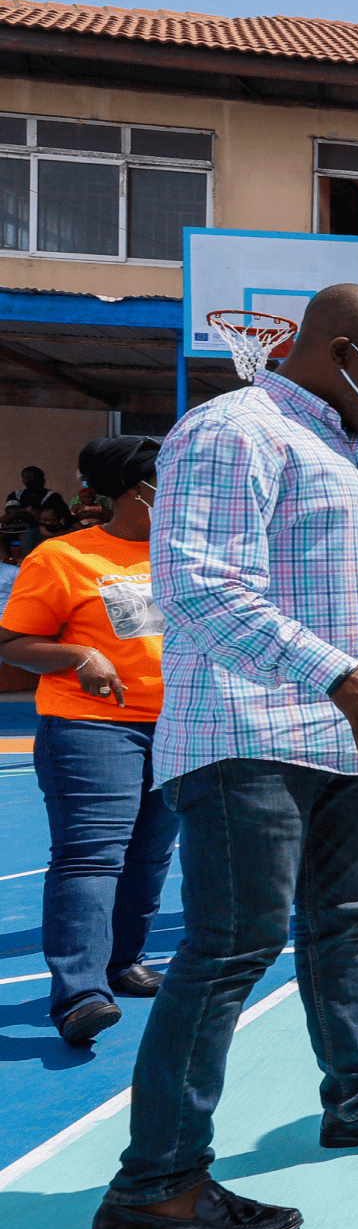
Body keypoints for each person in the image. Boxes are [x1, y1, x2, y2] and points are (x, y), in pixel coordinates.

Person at [91, 283, 358, 1229]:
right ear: (339, 349)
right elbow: (196, 589)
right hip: (246, 732)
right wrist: (337, 671)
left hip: (342, 741)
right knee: (232, 943)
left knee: (345, 921)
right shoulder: (234, 430)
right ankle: (158, 1184)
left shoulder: (349, 454)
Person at [0, 437, 173, 1045]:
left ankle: (123, 962)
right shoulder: (61, 557)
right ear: (137, 489)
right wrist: (78, 654)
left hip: (178, 728)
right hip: (91, 726)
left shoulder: (188, 553)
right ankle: (79, 994)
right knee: (91, 857)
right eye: (170, 472)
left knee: (151, 856)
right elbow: (12, 643)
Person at [5, 465, 67, 532]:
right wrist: (28, 510)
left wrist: (19, 512)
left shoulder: (53, 496)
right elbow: (9, 511)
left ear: (42, 479)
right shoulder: (16, 494)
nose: (29, 480)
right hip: (13, 529)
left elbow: (46, 515)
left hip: (42, 531)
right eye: (26, 478)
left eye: (34, 477)